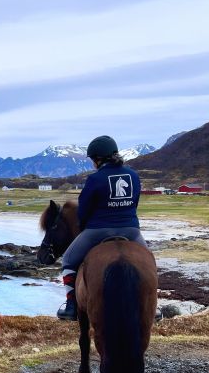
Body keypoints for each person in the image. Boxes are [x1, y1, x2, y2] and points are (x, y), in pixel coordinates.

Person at [57, 135, 147, 321]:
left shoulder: (95, 179)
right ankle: (153, 307)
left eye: (92, 160)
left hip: (98, 230)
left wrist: (84, 227)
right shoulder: (133, 175)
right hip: (131, 230)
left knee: (67, 260)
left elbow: (84, 209)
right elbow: (135, 203)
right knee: (149, 263)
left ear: (98, 158)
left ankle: (71, 305)